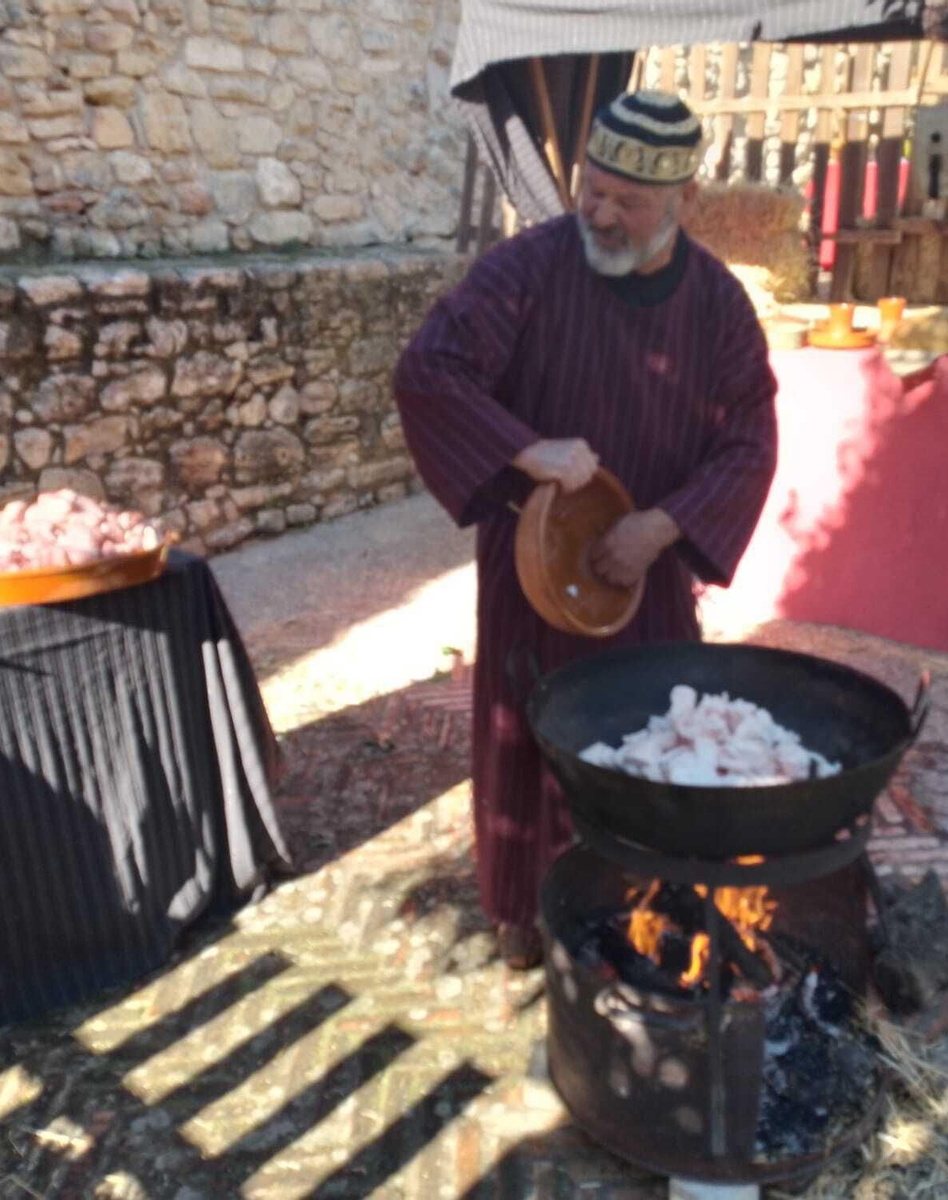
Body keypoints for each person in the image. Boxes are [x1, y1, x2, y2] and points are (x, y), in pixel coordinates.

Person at [393, 90, 780, 968]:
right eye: (590, 190)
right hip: (533, 564)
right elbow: (429, 370)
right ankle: (521, 916)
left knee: (648, 734)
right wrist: (525, 449)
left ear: (685, 200)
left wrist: (666, 523)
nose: (600, 215)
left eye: (627, 202)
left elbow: (751, 437)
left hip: (645, 579)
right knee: (522, 738)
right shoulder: (526, 268)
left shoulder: (719, 306)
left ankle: (632, 903)